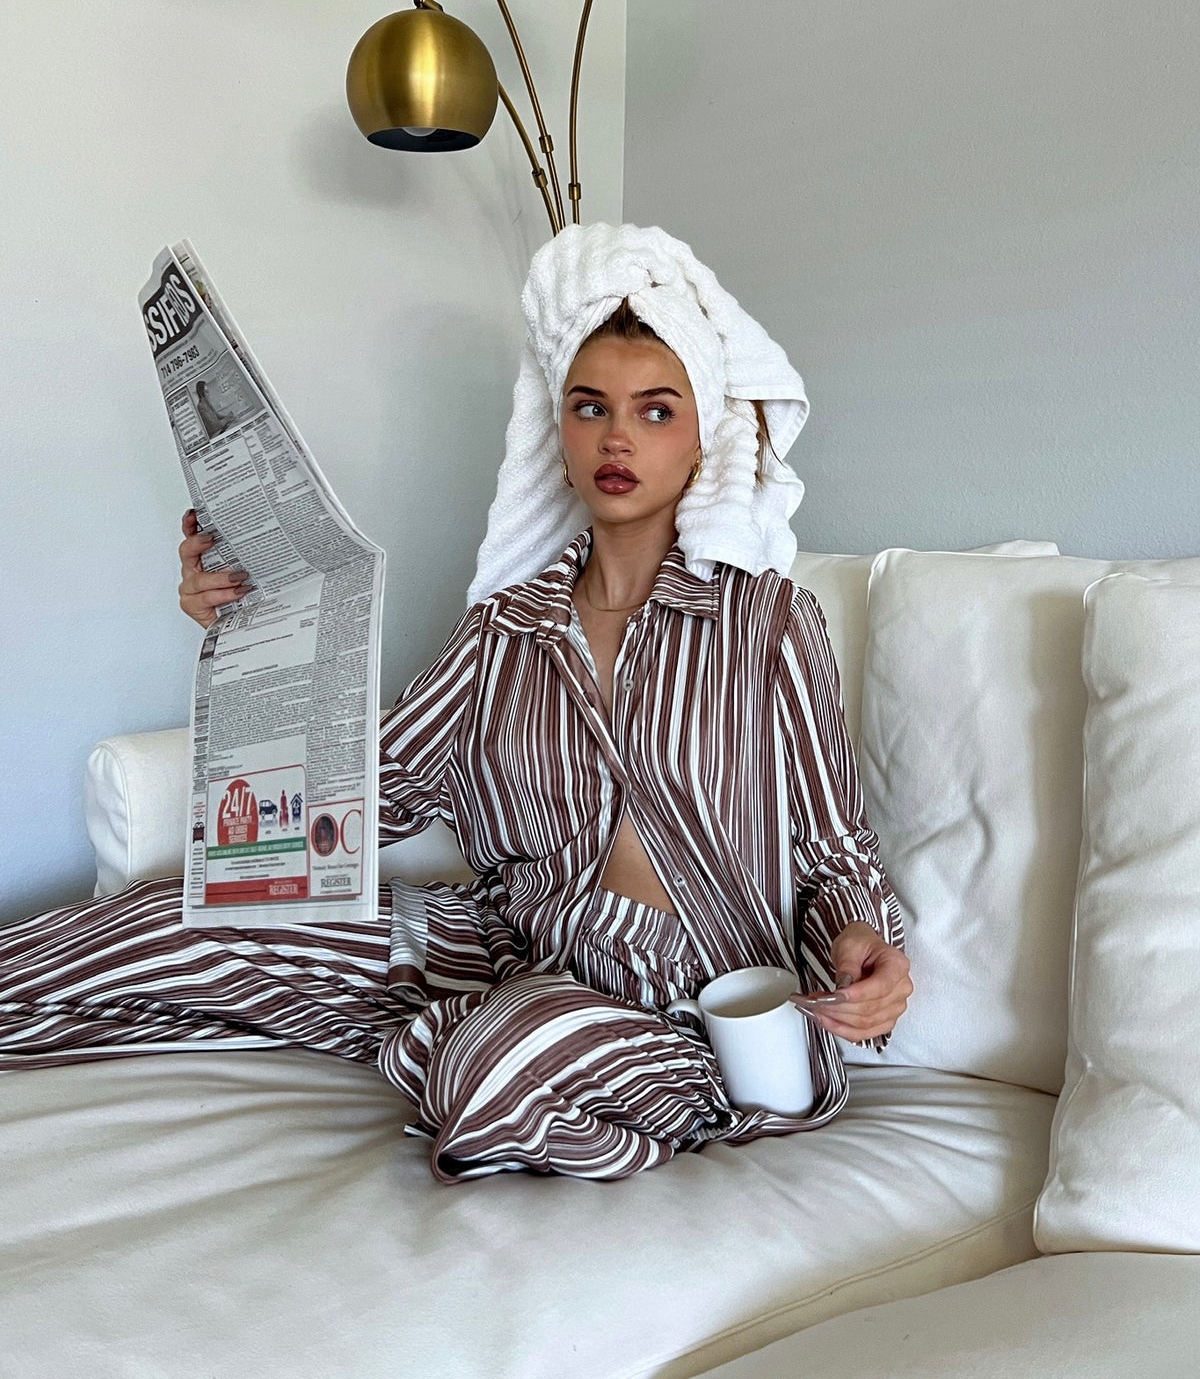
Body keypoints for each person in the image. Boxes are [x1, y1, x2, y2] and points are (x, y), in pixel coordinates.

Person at [0, 223, 911, 1183]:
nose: (616, 437)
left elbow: (833, 846)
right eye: (590, 407)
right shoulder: (502, 633)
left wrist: (865, 942)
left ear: (701, 442)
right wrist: (252, 625)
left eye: (655, 411)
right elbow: (363, 798)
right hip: (507, 949)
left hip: (696, 1007)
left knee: (498, 1065)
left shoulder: (767, 622)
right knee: (180, 918)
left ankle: (513, 1052)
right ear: (558, 434)